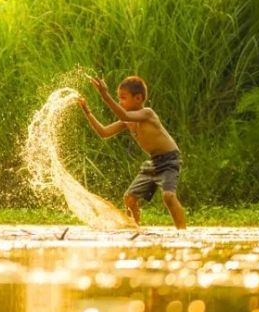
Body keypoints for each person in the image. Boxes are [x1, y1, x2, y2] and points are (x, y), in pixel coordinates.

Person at [78, 75, 187, 229]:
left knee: (168, 196)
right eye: (119, 98)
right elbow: (104, 132)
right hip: (154, 161)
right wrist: (87, 112)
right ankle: (135, 229)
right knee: (129, 198)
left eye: (123, 98)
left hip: (169, 159)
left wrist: (105, 95)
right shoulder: (127, 121)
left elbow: (124, 114)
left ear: (138, 98)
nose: (120, 102)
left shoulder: (147, 113)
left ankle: (182, 233)